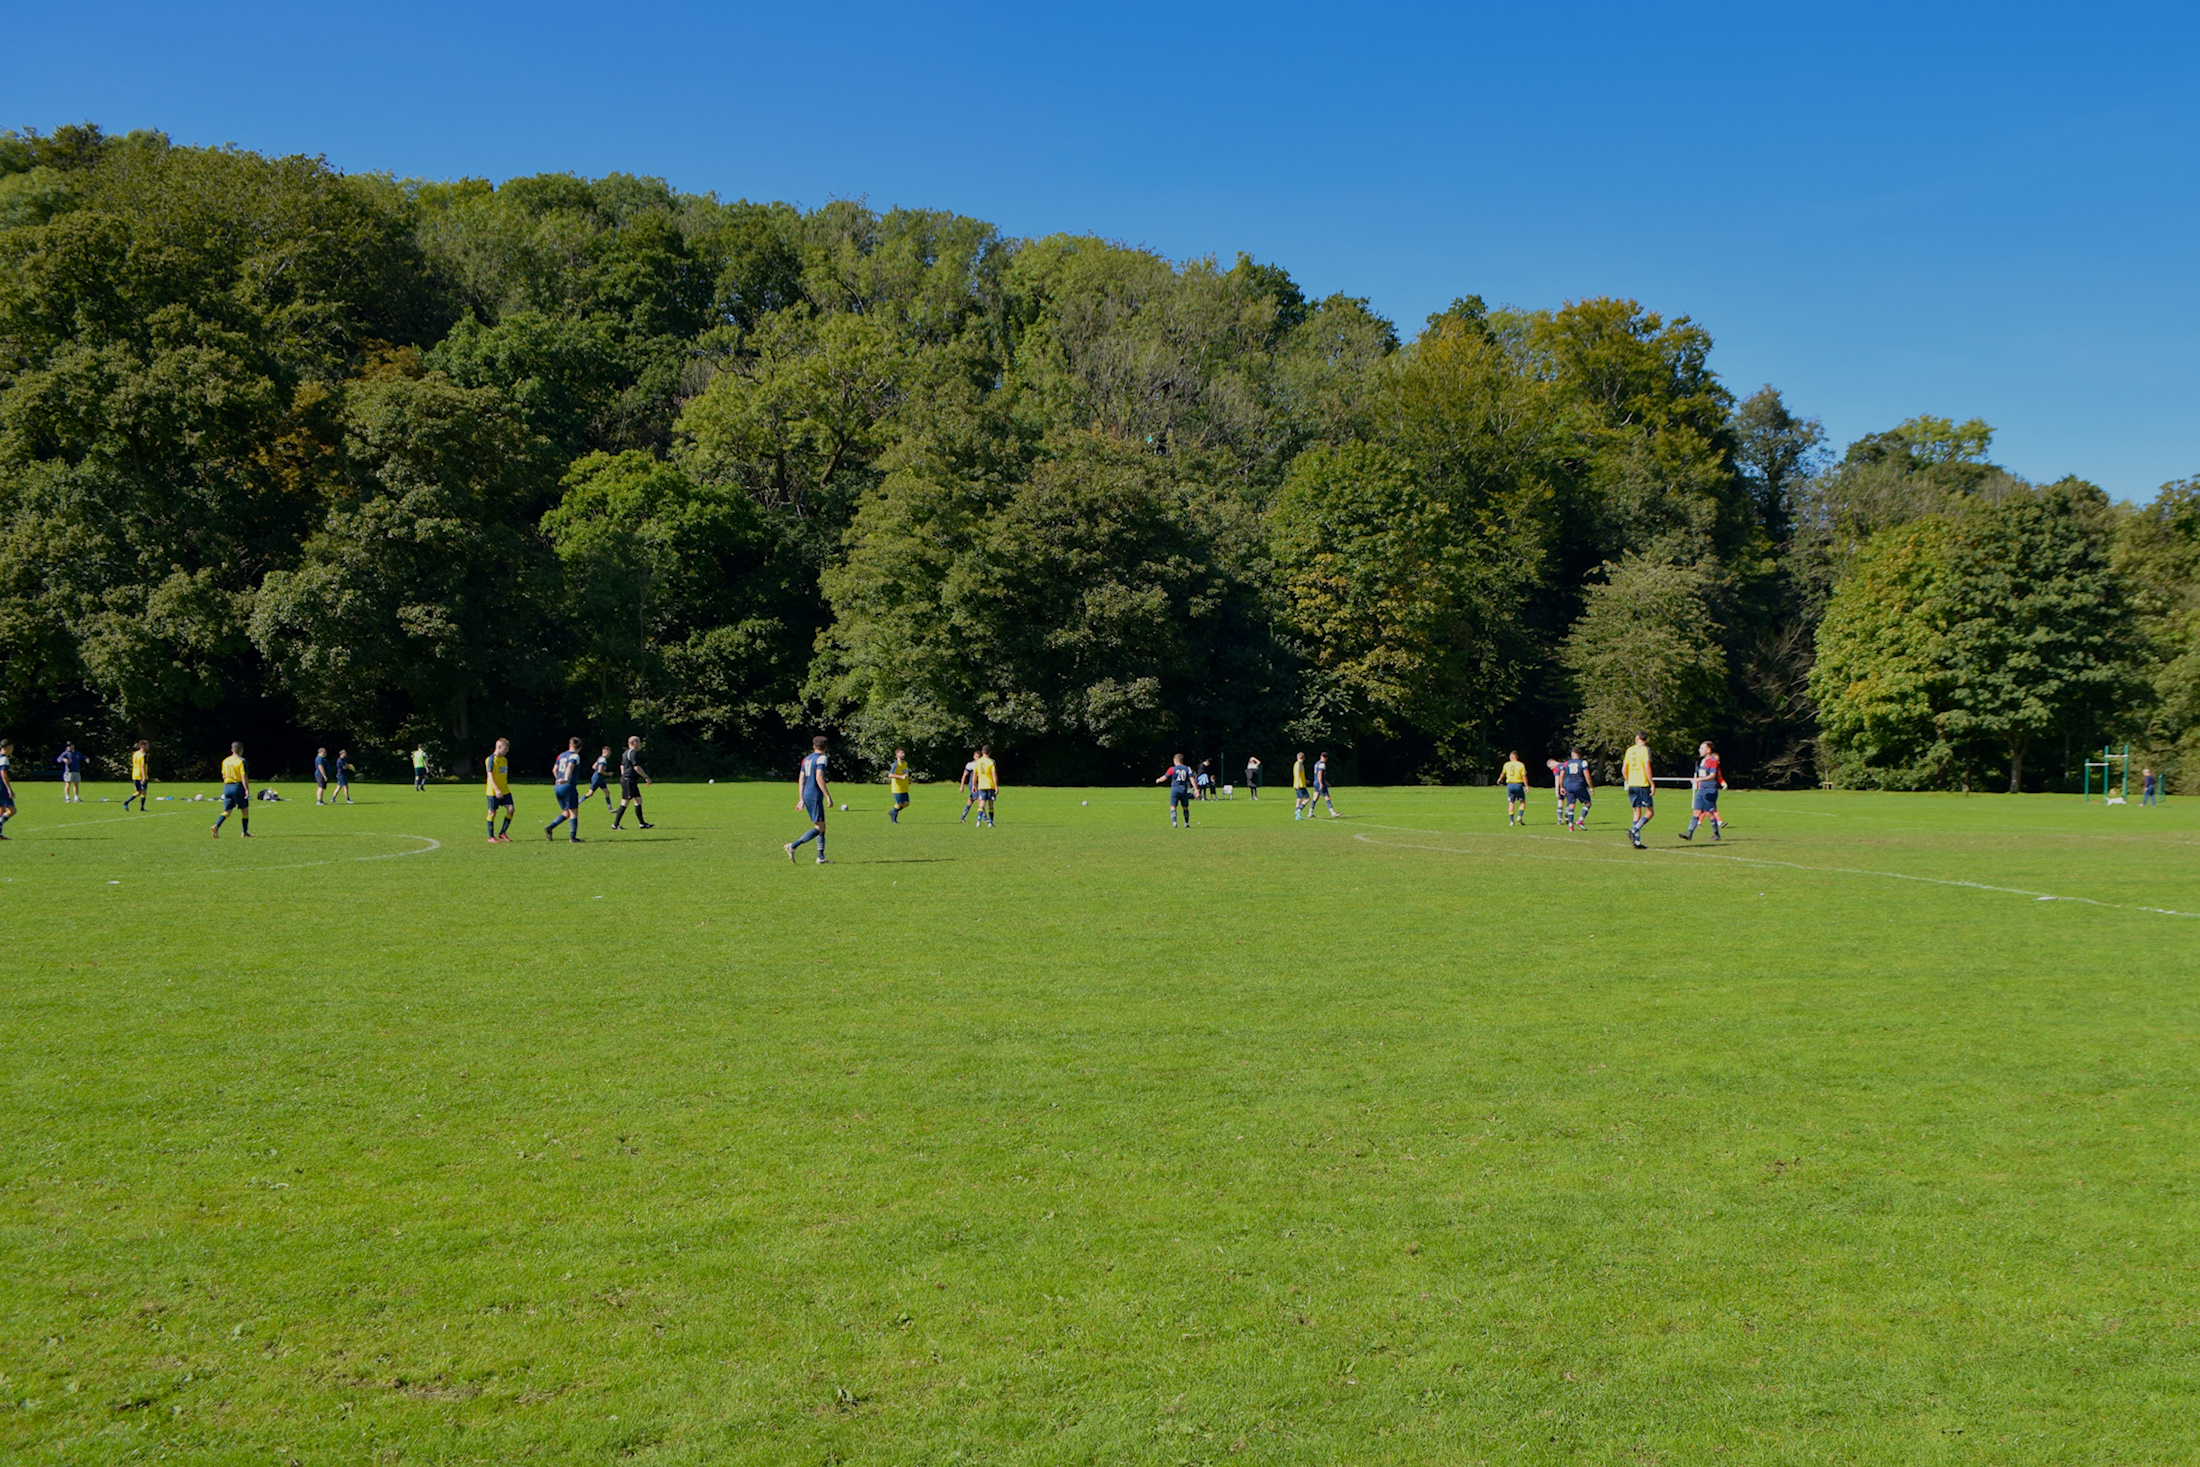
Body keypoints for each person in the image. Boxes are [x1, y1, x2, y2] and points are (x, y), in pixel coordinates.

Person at [784, 735, 831, 864]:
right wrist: (827, 796)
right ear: (826, 747)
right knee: (819, 827)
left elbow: (801, 779)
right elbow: (819, 777)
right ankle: (793, 845)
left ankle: (821, 856)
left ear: (813, 746)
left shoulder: (806, 759)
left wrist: (801, 798)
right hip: (815, 795)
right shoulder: (822, 758)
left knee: (821, 825)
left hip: (807, 794)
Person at [1679, 740, 1726, 841]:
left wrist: (1699, 779)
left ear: (1708, 750)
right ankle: (1689, 833)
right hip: (1702, 789)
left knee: (1709, 813)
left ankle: (1716, 835)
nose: (1700, 750)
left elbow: (1713, 775)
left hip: (1709, 790)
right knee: (1696, 812)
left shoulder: (1713, 762)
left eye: (1702, 748)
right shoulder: (1702, 761)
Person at [545, 737, 584, 843]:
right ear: (580, 747)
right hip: (568, 786)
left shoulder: (561, 755)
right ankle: (572, 837)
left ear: (569, 745)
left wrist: (558, 779)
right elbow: (570, 766)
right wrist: (566, 779)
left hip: (558, 786)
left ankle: (550, 827)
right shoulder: (575, 756)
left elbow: (554, 769)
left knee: (566, 812)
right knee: (573, 812)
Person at [210, 741, 252, 838]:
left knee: (227, 810)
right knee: (244, 809)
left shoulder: (225, 761)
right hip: (237, 786)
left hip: (227, 787)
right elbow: (243, 776)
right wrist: (246, 789)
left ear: (232, 749)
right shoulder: (241, 761)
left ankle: (216, 825)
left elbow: (223, 775)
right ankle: (244, 832)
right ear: (241, 750)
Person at [610, 736, 653, 831]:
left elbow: (622, 766)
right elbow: (636, 767)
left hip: (629, 780)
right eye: (639, 742)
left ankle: (642, 824)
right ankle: (615, 824)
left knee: (638, 800)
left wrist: (624, 776)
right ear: (634, 743)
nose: (640, 744)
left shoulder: (625, 753)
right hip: (629, 780)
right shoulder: (632, 753)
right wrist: (646, 777)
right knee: (625, 802)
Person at [1622, 734, 1655, 848]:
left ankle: (1636, 842)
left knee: (1636, 812)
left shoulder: (1629, 750)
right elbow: (1647, 767)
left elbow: (1624, 769)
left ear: (1637, 739)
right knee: (1650, 812)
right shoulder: (1645, 750)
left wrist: (1628, 780)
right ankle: (1634, 830)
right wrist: (1652, 783)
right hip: (1642, 784)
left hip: (1632, 784)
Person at [484, 737, 515, 843]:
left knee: (511, 809)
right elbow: (490, 776)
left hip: (505, 790)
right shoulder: (491, 759)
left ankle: (502, 833)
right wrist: (496, 789)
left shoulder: (504, 760)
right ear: (499, 747)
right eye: (505, 749)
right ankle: (490, 837)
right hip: (493, 791)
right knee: (492, 812)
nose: (507, 751)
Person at [1157, 752, 1195, 828]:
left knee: (1173, 806)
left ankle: (1174, 822)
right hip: (1183, 790)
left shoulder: (1172, 769)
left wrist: (1158, 780)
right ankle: (1186, 823)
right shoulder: (1187, 768)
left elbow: (1165, 777)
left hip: (1175, 790)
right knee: (1185, 807)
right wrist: (1196, 789)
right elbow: (1192, 778)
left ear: (1175, 760)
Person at [1559, 748, 1592, 831]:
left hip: (1568, 785)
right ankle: (1580, 820)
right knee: (1588, 803)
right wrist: (1591, 786)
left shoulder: (1566, 763)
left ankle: (1570, 826)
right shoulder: (1583, 763)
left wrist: (1562, 786)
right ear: (1579, 754)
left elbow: (1561, 775)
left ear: (1572, 754)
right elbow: (1587, 775)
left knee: (1571, 804)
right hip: (1578, 785)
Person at [1499, 751, 1528, 827]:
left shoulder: (1506, 764)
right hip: (1518, 784)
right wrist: (1527, 785)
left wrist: (1500, 779)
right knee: (1522, 802)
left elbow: (1503, 773)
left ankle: (1511, 821)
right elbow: (1523, 776)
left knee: (1511, 803)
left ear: (1511, 757)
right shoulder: (1521, 765)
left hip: (1509, 785)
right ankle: (1519, 816)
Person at [972, 745, 999, 826]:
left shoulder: (978, 762)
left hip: (981, 786)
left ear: (982, 752)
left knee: (981, 804)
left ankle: (978, 821)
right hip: (990, 786)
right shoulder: (991, 762)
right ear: (989, 752)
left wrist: (974, 785)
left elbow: (974, 775)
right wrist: (996, 786)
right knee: (990, 804)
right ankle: (990, 822)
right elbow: (994, 775)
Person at [123, 740, 151, 812]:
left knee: (138, 792)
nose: (148, 746)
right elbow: (142, 766)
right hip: (141, 775)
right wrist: (144, 777)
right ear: (142, 746)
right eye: (147, 745)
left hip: (134, 774)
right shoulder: (143, 755)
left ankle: (126, 802)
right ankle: (142, 808)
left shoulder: (135, 754)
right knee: (143, 791)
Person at [888, 748, 912, 823]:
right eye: (901, 753)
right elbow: (890, 774)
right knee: (898, 803)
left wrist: (909, 779)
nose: (903, 754)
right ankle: (893, 819)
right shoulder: (896, 764)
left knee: (906, 803)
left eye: (904, 753)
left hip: (904, 787)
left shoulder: (905, 763)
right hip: (897, 788)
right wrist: (901, 777)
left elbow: (905, 773)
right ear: (897, 754)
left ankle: (893, 811)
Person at [958, 750, 981, 824]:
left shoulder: (982, 765)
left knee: (970, 801)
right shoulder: (971, 765)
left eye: (979, 756)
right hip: (972, 785)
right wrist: (962, 786)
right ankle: (985, 818)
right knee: (980, 802)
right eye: (976, 756)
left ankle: (962, 817)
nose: (977, 758)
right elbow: (964, 776)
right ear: (974, 756)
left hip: (979, 785)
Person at [1313, 753, 1338, 818]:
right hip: (1319, 783)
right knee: (1327, 797)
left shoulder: (1317, 763)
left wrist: (1326, 782)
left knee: (1315, 797)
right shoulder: (1322, 764)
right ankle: (1332, 813)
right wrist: (1321, 783)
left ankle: (1310, 812)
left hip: (1315, 782)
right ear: (1326, 758)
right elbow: (1319, 774)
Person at [0, 739, 16, 838]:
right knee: (12, 810)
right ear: (7, 747)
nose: (12, 749)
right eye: (11, 747)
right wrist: (9, 788)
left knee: (1, 810)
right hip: (1, 788)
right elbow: (3, 774)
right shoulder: (4, 759)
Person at [1293, 752, 1311, 820]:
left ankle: (1297, 816)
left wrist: (1305, 780)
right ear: (1303, 758)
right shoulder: (1300, 764)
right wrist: (1298, 782)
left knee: (1299, 799)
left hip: (1296, 784)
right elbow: (1298, 773)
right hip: (1300, 785)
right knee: (1308, 799)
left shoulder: (1296, 763)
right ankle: (1298, 810)